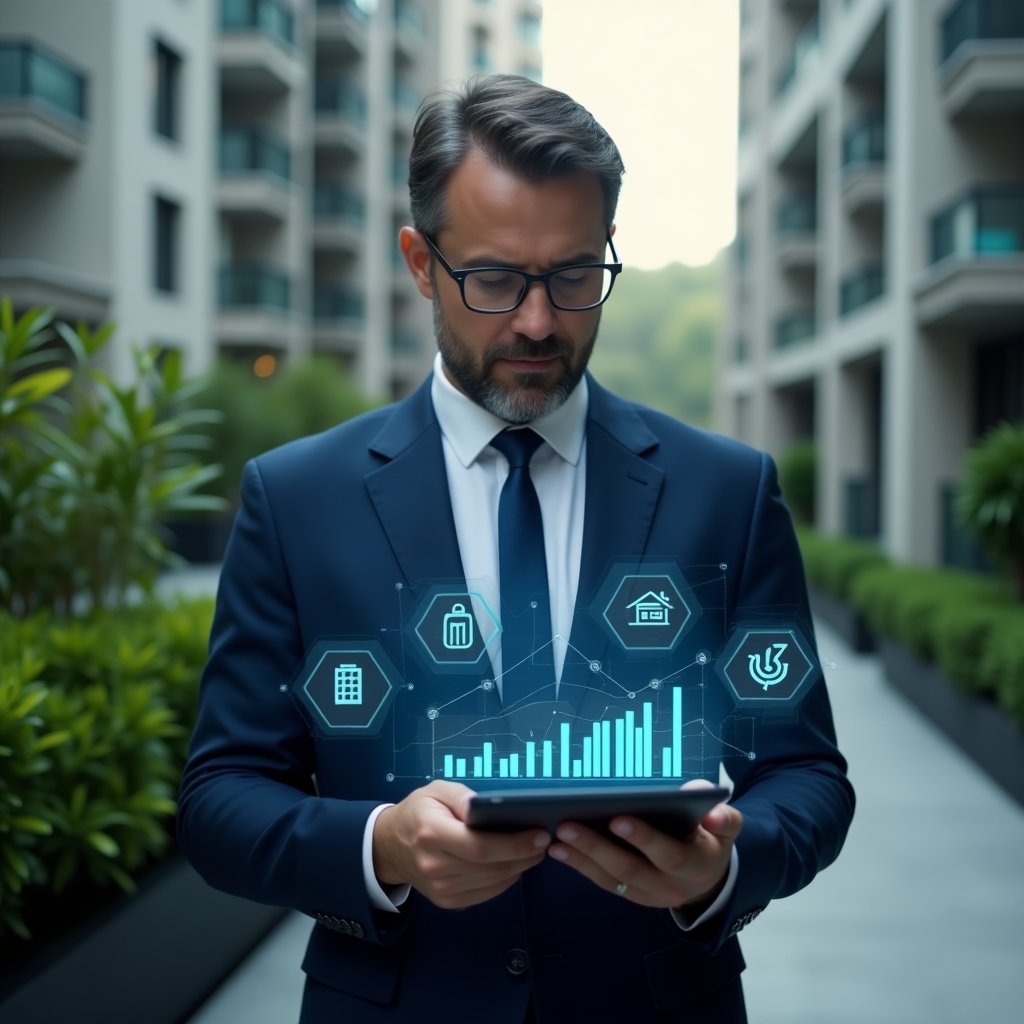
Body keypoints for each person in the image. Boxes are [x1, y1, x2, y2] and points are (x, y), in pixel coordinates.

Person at [178, 74, 854, 1023]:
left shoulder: (729, 493)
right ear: (420, 261)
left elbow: (809, 775)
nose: (538, 321)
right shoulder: (296, 499)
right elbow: (221, 798)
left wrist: (724, 867)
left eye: (575, 276)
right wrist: (382, 848)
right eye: (494, 279)